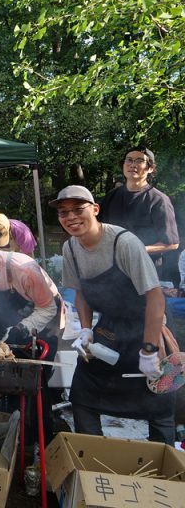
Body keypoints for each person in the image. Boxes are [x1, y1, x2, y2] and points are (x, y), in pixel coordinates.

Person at [54, 185, 174, 445]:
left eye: (78, 209)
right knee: (82, 394)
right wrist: (86, 329)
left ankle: (166, 470)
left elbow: (155, 298)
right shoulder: (70, 249)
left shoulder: (124, 243)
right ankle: (96, 458)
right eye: (64, 213)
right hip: (109, 329)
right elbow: (81, 292)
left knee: (160, 403)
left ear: (95, 210)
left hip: (147, 327)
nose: (71, 217)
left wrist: (150, 349)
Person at [99, 146, 179, 278]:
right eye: (129, 160)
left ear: (150, 168)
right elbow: (99, 230)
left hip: (145, 272)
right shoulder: (111, 197)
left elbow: (172, 243)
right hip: (112, 271)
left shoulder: (158, 200)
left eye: (139, 161)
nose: (132, 164)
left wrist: (138, 250)